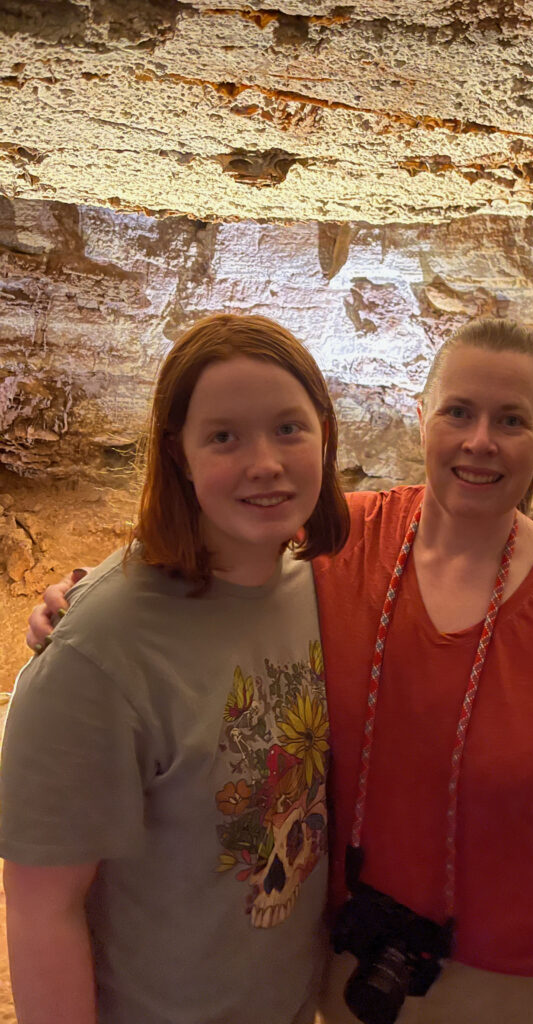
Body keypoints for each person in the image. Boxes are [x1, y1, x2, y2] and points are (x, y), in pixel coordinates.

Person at [24, 317, 533, 1024]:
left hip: (517, 983)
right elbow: (210, 551)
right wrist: (83, 601)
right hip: (350, 966)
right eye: (458, 412)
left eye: (511, 420)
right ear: (421, 419)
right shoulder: (343, 550)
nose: (480, 441)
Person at [1, 313, 350, 1024]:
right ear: (179, 454)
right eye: (224, 436)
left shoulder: (322, 585)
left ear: (325, 432)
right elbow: (42, 907)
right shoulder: (99, 649)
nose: (265, 462)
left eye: (288, 428)